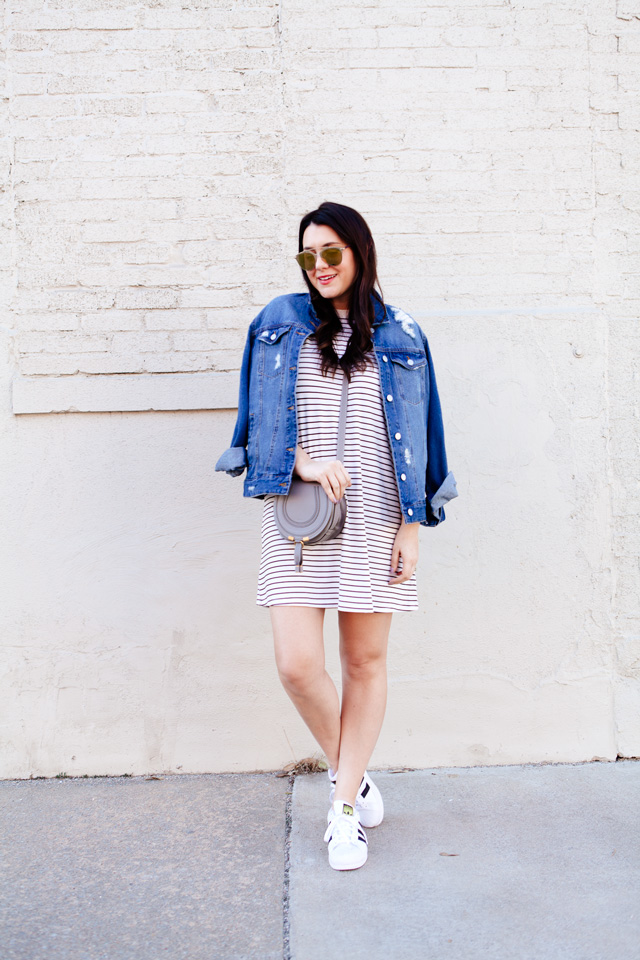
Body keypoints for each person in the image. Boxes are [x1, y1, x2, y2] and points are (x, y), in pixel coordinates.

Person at [216, 201, 457, 871]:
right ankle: (351, 773)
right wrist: (301, 462)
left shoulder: (403, 335)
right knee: (297, 664)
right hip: (300, 514)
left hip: (378, 512)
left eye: (331, 253)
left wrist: (414, 527)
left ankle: (344, 807)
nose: (319, 267)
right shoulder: (277, 324)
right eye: (308, 255)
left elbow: (426, 435)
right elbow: (257, 420)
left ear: (359, 252)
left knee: (364, 664)